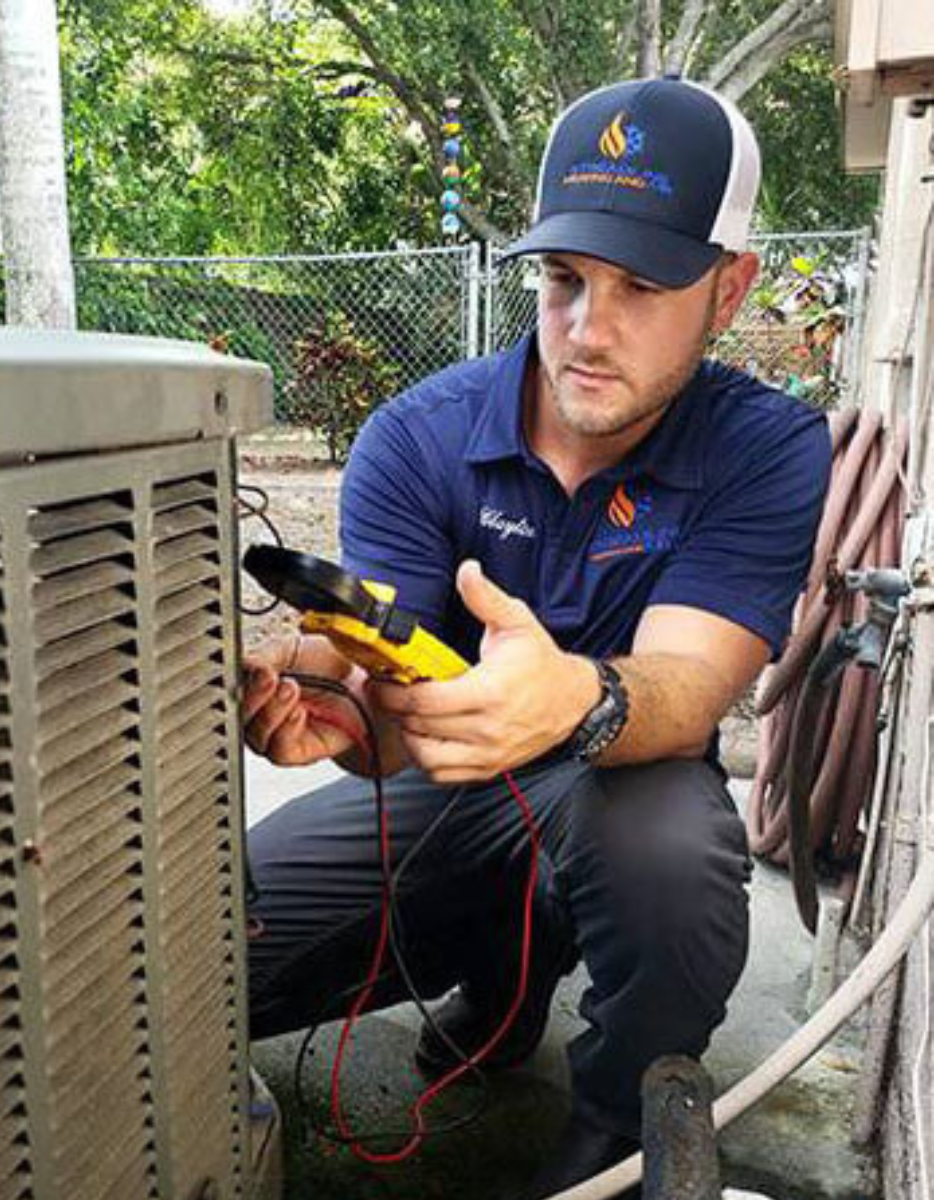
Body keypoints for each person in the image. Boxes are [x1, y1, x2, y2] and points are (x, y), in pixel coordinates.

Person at [241, 76, 832, 1197]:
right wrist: (333, 711)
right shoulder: (416, 436)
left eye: (642, 285)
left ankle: (614, 1131)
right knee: (211, 942)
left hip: (628, 780)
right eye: (563, 279)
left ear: (729, 285)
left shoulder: (768, 446)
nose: (586, 329)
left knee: (664, 853)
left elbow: (692, 683)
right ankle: (502, 979)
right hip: (448, 784)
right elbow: (381, 732)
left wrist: (576, 698)